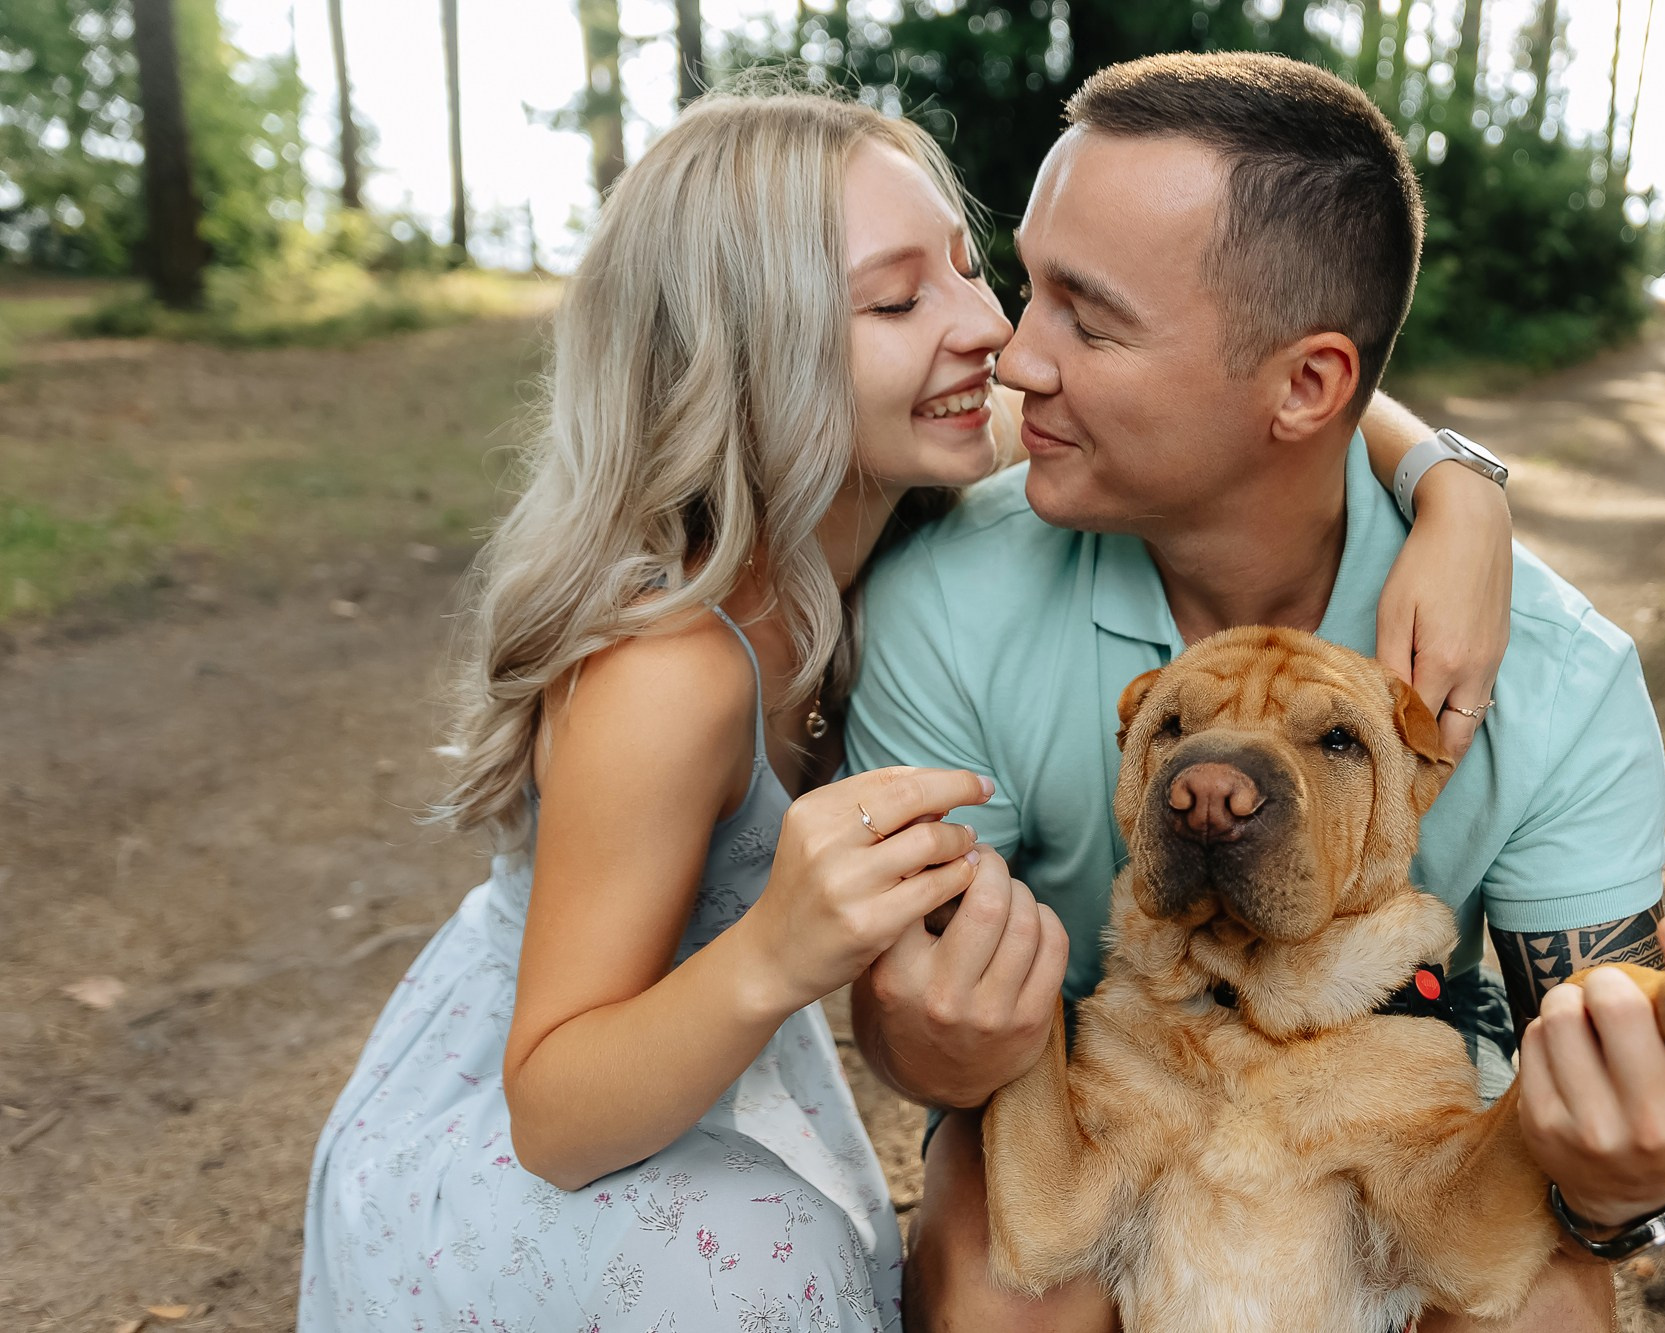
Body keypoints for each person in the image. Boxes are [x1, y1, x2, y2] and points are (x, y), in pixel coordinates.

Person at [298, 82, 1513, 1332]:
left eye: (964, 266)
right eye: (897, 299)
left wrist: (1454, 487)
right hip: (554, 1107)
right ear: (749, 357)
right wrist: (777, 948)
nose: (990, 328)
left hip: (701, 1068)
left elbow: (1253, 392)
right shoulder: (665, 671)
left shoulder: (926, 477)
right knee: (785, 1271)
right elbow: (552, 1112)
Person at [845, 52, 1665, 1333]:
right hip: (1108, 1105)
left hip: (1379, 1143)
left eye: (1087, 318)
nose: (1008, 356)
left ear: (1308, 386)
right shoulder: (945, 596)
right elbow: (907, 1032)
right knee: (991, 1277)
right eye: (1026, 287)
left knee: (1550, 1308)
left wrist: (1628, 1176)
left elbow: (1610, 1135)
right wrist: (931, 1035)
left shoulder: (1558, 679)